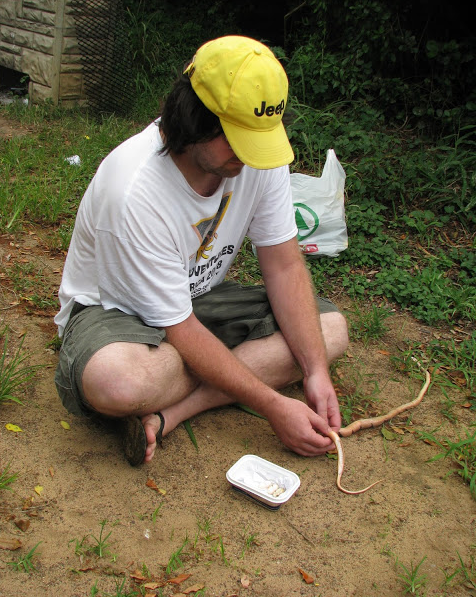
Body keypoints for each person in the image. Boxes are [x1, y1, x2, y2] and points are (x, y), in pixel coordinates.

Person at [54, 35, 349, 466]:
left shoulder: (256, 157)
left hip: (194, 303)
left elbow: (285, 266)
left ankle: (171, 412)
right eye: (236, 140)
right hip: (113, 314)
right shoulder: (134, 189)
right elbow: (181, 330)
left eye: (259, 139)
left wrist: (316, 372)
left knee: (331, 333)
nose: (249, 158)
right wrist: (273, 404)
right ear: (193, 118)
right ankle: (215, 373)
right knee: (116, 381)